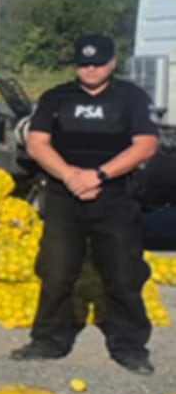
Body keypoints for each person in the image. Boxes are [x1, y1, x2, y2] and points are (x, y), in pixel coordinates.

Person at [11, 34, 160, 375]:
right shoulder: (56, 97)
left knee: (123, 274)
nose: (91, 69)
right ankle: (48, 341)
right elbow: (37, 143)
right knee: (56, 270)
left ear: (112, 63)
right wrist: (70, 175)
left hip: (114, 196)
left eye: (98, 63)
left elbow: (146, 145)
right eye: (84, 63)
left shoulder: (131, 97)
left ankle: (130, 347)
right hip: (65, 197)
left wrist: (99, 175)